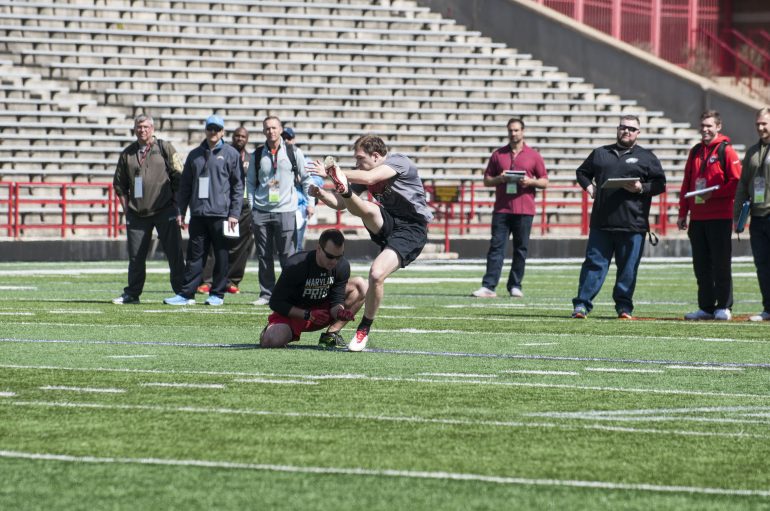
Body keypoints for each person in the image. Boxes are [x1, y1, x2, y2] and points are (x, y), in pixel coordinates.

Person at [309, 135, 433, 351]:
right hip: (388, 222)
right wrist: (321, 193)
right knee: (367, 207)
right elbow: (339, 204)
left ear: (376, 156)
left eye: (360, 158)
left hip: (412, 229)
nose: (357, 164)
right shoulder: (365, 173)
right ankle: (345, 188)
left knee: (376, 274)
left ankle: (364, 328)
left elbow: (370, 177)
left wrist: (334, 172)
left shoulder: (398, 161)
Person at [571, 114, 666, 319]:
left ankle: (624, 307)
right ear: (617, 129)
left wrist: (642, 187)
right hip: (602, 223)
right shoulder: (600, 153)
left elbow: (660, 184)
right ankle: (581, 305)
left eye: (632, 129)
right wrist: (590, 187)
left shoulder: (647, 157)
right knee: (594, 265)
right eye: (623, 127)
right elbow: (582, 172)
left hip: (633, 224)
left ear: (638, 133)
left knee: (628, 269)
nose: (627, 131)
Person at [163, 114, 242, 306]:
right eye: (210, 128)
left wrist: (234, 213)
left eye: (217, 129)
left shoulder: (231, 154)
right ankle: (187, 294)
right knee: (194, 256)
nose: (213, 132)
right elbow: (185, 187)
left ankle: (217, 294)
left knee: (221, 256)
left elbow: (238, 186)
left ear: (223, 132)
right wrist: (181, 211)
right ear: (205, 130)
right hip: (198, 214)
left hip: (222, 215)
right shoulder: (194, 154)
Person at [112, 114, 185, 304]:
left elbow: (179, 177)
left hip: (165, 209)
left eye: (145, 127)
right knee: (136, 257)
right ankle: (132, 293)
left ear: (152, 128)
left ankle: (183, 292)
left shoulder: (165, 148)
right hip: (137, 213)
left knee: (174, 253)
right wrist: (127, 209)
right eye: (139, 127)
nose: (142, 130)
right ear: (134, 129)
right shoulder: (127, 153)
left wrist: (178, 207)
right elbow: (119, 184)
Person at [471, 118, 548, 299]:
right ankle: (489, 286)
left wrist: (531, 181)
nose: (513, 134)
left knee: (521, 249)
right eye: (510, 131)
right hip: (502, 209)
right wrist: (500, 179)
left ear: (523, 131)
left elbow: (544, 181)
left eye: (516, 130)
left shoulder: (534, 155)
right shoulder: (498, 154)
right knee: (496, 248)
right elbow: (487, 180)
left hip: (524, 210)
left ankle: (515, 285)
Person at [677, 111, 742, 321]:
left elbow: (736, 183)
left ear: (718, 127)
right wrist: (682, 212)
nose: (705, 129)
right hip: (698, 218)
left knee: (721, 263)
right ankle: (705, 306)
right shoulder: (695, 151)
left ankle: (724, 306)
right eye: (702, 125)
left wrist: (713, 194)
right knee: (701, 265)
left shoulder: (727, 151)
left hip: (719, 217)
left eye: (709, 126)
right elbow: (687, 182)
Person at [260, 229, 368, 348]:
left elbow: (336, 300)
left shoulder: (342, 265)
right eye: (330, 256)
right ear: (319, 249)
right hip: (296, 313)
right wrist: (307, 314)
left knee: (361, 285)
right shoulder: (296, 264)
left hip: (323, 313)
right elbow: (275, 303)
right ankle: (271, 329)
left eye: (339, 257)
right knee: (271, 341)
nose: (334, 261)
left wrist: (339, 312)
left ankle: (331, 335)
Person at [247, 116, 314, 306]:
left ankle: (289, 293)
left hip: (286, 210)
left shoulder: (293, 152)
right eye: (267, 128)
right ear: (263, 131)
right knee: (264, 255)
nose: (271, 131)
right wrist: (253, 207)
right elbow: (250, 183)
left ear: (281, 130)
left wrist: (311, 203)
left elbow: (307, 178)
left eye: (274, 128)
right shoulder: (257, 155)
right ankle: (266, 293)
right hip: (261, 211)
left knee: (288, 256)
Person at [197, 126, 254, 295]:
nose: (239, 139)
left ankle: (232, 280)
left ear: (247, 139)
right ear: (232, 137)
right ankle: (207, 281)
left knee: (239, 246)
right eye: (237, 136)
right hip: (221, 206)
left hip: (243, 208)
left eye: (243, 136)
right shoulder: (224, 154)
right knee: (215, 245)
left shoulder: (252, 159)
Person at [735, 107, 770, 322]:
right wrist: (738, 214)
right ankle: (768, 308)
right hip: (757, 216)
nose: (760, 127)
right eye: (758, 124)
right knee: (763, 265)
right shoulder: (752, 152)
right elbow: (743, 184)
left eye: (764, 123)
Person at [282, 127, 324, 249]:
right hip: (281, 206)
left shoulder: (304, 160)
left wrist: (303, 179)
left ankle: (295, 267)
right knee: (284, 245)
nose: (286, 140)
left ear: (293, 140)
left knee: (297, 244)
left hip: (300, 207)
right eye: (283, 138)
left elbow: (318, 181)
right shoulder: (276, 160)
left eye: (288, 138)